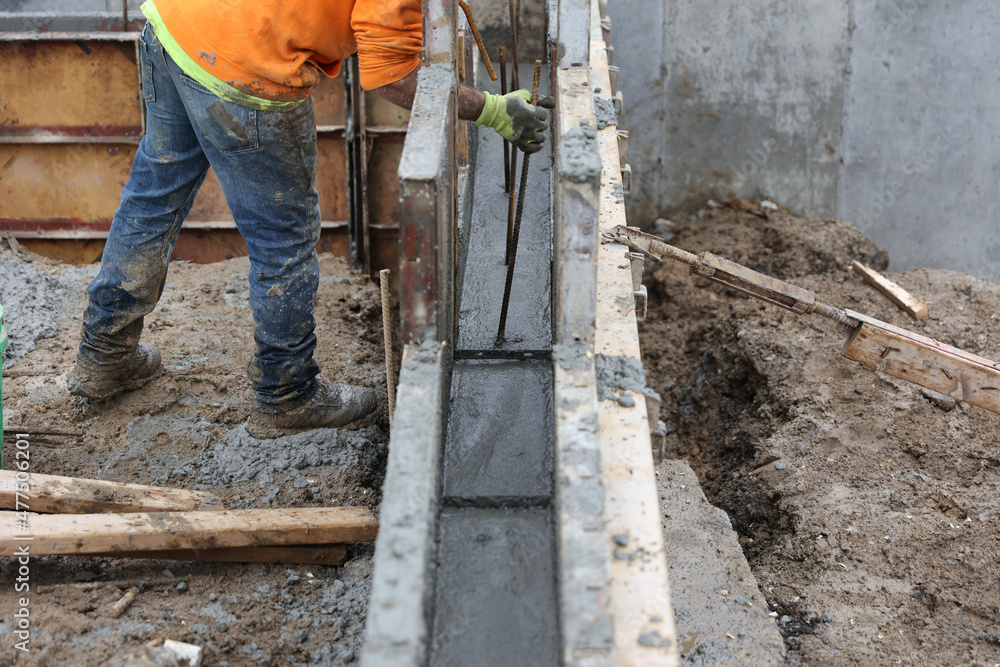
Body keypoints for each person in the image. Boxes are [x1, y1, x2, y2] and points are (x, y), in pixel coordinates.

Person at [68, 0, 554, 439]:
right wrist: (490, 108)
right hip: (247, 70)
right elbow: (389, 77)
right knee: (284, 241)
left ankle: (103, 357)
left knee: (151, 200)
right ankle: (287, 396)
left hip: (175, 25)